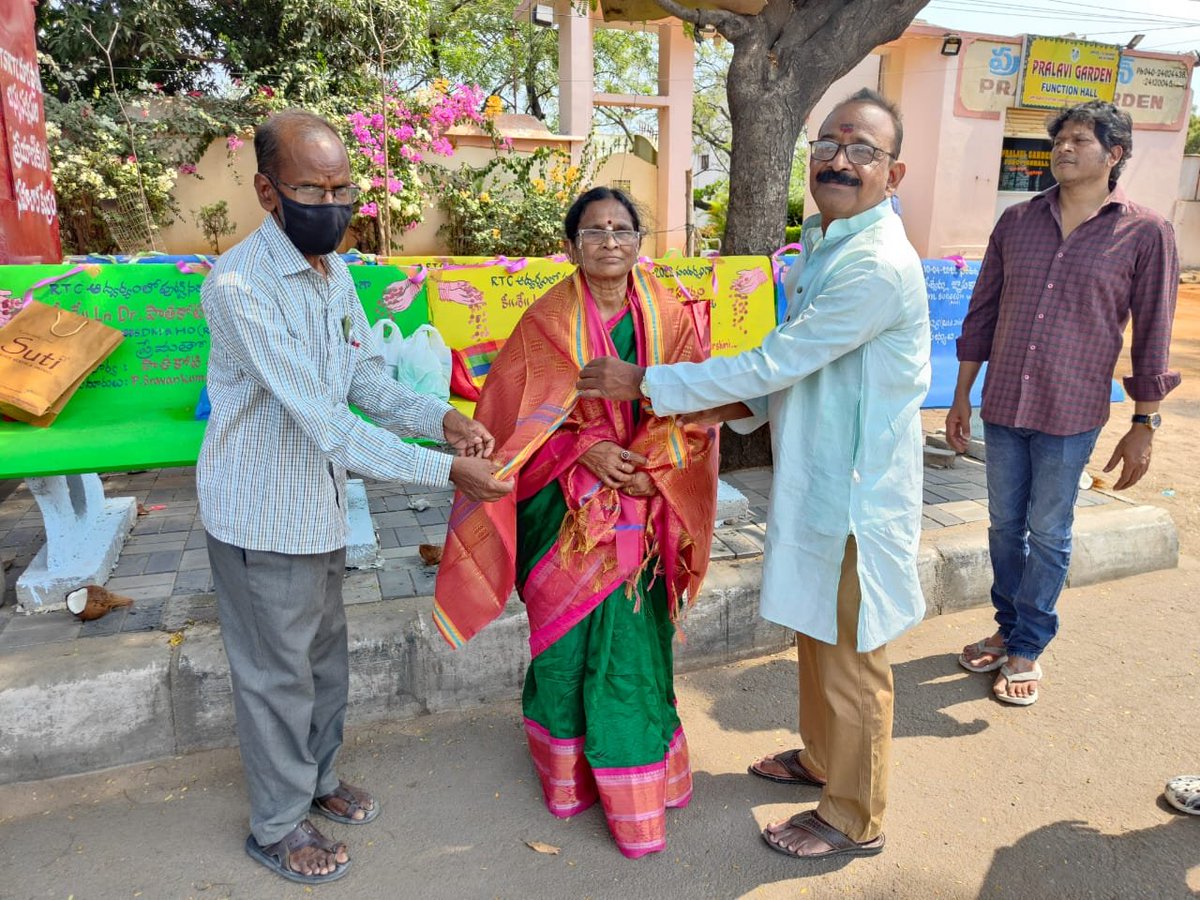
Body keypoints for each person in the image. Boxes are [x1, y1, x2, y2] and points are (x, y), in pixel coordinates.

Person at [577, 89, 930, 861]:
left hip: (857, 492)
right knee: (815, 631)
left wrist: (649, 385)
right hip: (817, 475)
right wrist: (702, 412)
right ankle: (821, 761)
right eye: (831, 142)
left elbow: (779, 362)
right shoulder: (825, 243)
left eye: (863, 148)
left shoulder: (874, 263)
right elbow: (786, 371)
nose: (841, 158)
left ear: (892, 173)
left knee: (852, 652)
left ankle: (854, 815)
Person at [198, 108, 512, 885]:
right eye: (315, 188)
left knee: (323, 663)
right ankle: (275, 825)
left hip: (318, 511)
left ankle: (317, 782)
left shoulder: (331, 271)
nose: (334, 204)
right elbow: (324, 420)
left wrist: (439, 416)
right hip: (262, 511)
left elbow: (363, 377)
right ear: (270, 193)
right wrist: (447, 471)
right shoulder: (240, 286)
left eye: (344, 187)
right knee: (276, 675)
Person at [433, 187, 718, 859]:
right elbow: (511, 424)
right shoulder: (546, 323)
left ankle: (637, 792)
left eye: (623, 229)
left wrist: (649, 468)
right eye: (594, 231)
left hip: (642, 506)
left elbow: (697, 406)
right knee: (563, 650)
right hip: (561, 512)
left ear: (640, 242)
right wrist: (586, 449)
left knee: (630, 654)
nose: (610, 241)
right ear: (571, 245)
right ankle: (569, 780)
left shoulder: (671, 317)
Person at [947, 101, 1179, 706]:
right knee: (1003, 525)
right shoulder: (1017, 222)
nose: (1065, 150)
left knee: (1048, 531)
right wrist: (961, 395)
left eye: (1080, 140)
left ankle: (1029, 645)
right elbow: (982, 314)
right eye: (1061, 141)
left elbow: (1153, 333)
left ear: (1116, 153)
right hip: (1002, 406)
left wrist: (1145, 423)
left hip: (1070, 411)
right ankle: (1007, 626)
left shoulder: (1146, 232)